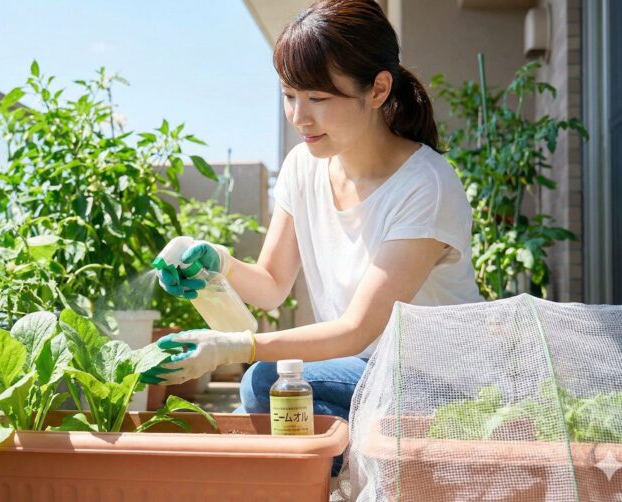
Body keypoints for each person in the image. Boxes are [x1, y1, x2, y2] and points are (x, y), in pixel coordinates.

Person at [143, 0, 482, 473]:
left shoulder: (425, 183)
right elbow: (270, 283)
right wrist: (217, 264)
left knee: (264, 387)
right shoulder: (305, 166)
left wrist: (236, 347)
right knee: (267, 405)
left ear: (379, 89)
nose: (299, 117)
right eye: (289, 95)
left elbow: (360, 328)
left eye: (318, 99)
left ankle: (395, 464)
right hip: (360, 374)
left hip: (436, 385)